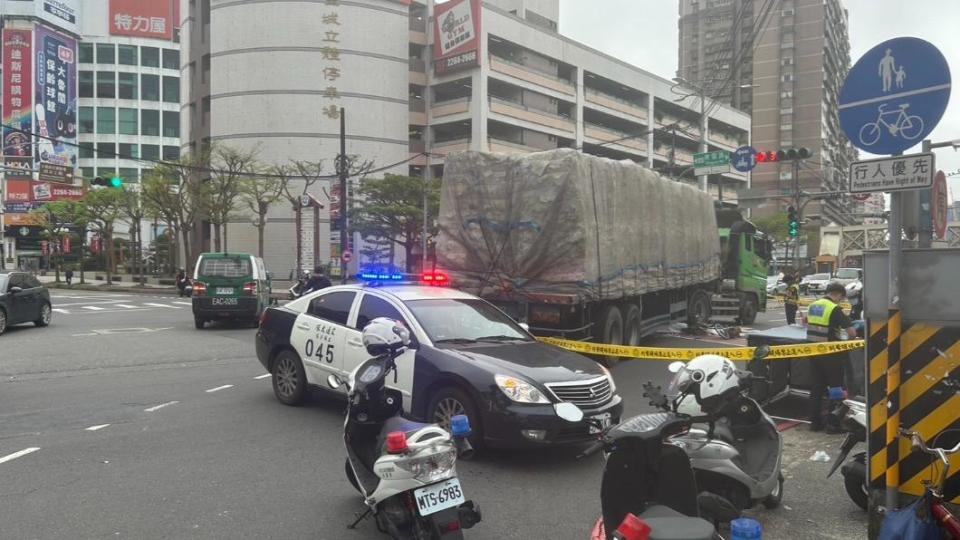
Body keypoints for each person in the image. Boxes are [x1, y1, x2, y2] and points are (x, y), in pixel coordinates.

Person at [805, 281, 857, 433]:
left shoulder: (813, 305)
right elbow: (852, 333)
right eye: (841, 298)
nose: (840, 301)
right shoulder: (834, 309)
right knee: (836, 388)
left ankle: (814, 423)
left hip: (813, 352)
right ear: (838, 295)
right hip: (830, 355)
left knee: (817, 387)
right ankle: (832, 424)